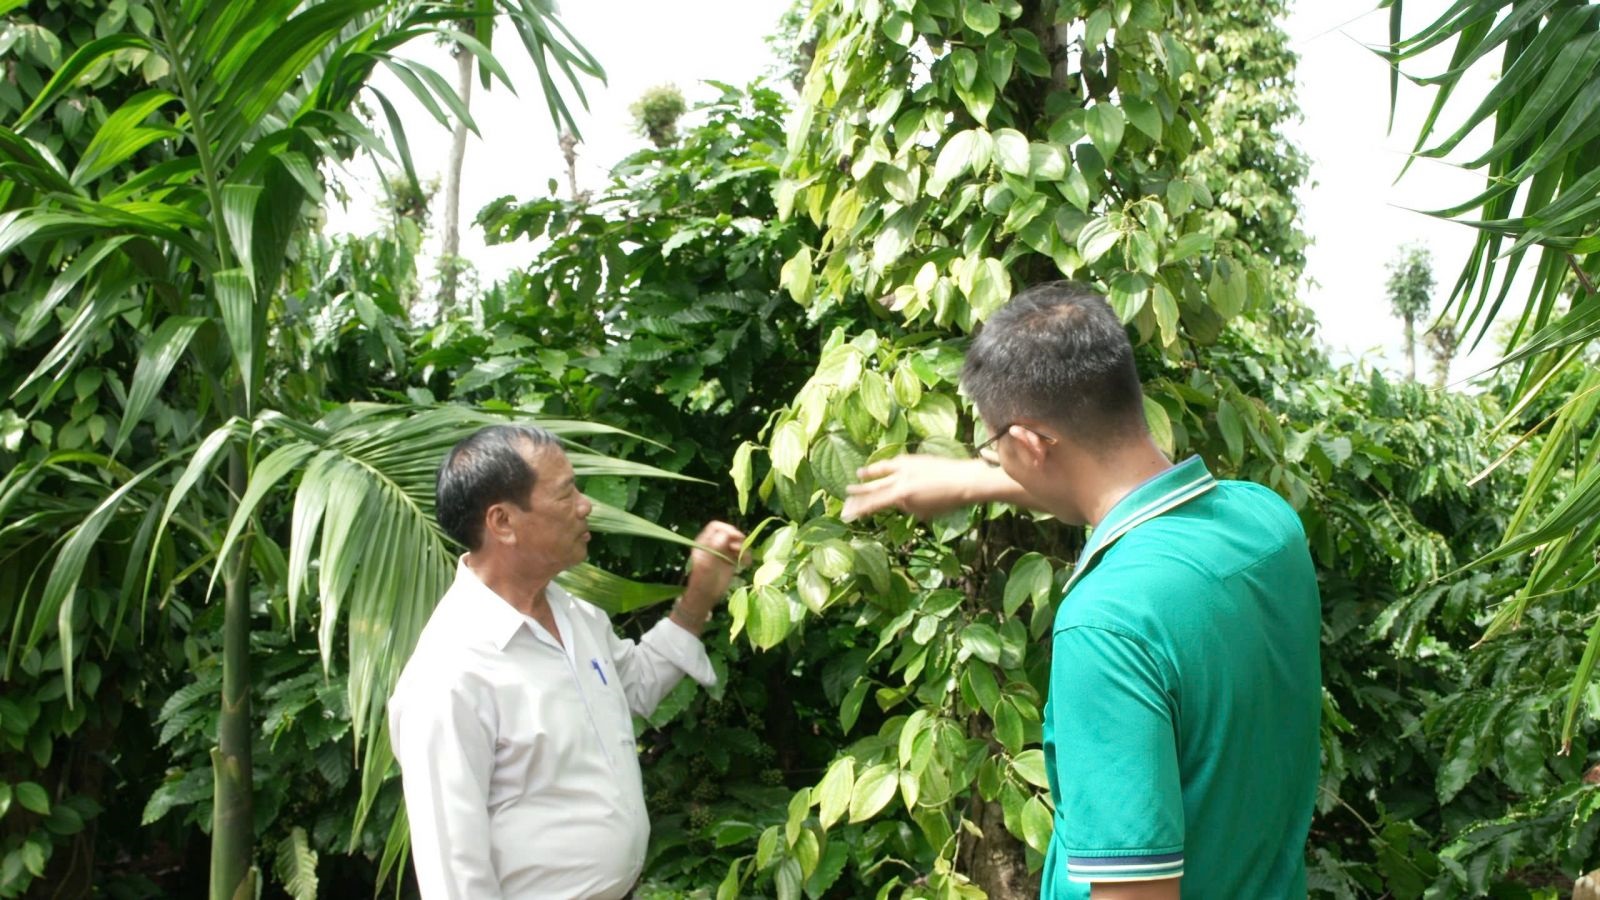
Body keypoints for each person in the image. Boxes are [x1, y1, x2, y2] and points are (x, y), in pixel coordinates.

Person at [842, 282, 1321, 899]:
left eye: (994, 445)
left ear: (1028, 443)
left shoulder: (1107, 627)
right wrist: (973, 478)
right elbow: (1126, 484)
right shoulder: (1267, 523)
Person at [388, 424, 745, 899]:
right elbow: (454, 876)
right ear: (502, 522)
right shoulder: (449, 674)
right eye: (565, 494)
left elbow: (636, 684)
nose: (585, 505)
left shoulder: (574, 615)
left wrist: (698, 596)